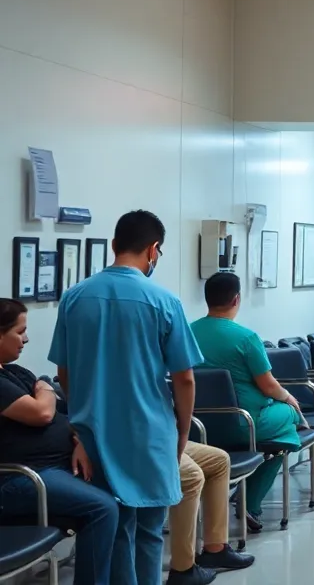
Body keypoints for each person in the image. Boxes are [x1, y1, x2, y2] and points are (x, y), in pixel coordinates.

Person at [49, 210, 202, 585]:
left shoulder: (74, 297)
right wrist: (182, 431)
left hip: (93, 437)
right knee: (149, 534)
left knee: (114, 530)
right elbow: (184, 378)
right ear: (153, 250)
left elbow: (63, 373)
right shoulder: (164, 302)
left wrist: (84, 412)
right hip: (149, 435)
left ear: (114, 245)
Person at [192, 273, 314, 528]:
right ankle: (253, 500)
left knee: (284, 430)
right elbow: (268, 384)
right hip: (246, 423)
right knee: (290, 420)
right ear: (237, 299)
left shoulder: (188, 332)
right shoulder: (245, 337)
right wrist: (289, 398)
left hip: (198, 426)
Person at [0, 298, 118, 585]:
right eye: (20, 331)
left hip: (57, 467)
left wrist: (80, 440)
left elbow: (66, 412)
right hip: (23, 479)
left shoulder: (15, 372)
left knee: (123, 487)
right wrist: (45, 388)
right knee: (103, 508)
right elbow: (42, 413)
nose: (26, 339)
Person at [168, 442, 254, 584]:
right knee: (192, 476)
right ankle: (182, 569)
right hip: (144, 438)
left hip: (165, 435)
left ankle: (216, 549)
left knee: (219, 460)